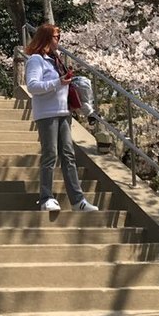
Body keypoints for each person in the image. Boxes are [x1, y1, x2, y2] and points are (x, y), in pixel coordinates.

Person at [24, 23, 99, 213]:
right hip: (47, 113)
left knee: (68, 155)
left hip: (64, 111)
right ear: (46, 38)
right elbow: (32, 86)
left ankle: (78, 200)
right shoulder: (36, 60)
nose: (59, 40)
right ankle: (46, 197)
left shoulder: (56, 60)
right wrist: (58, 82)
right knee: (50, 154)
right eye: (56, 37)